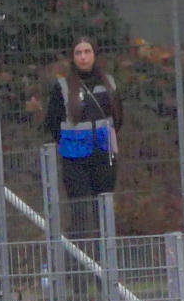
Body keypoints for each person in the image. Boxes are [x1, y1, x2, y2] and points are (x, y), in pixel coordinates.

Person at [42, 37, 123, 237]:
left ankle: (105, 252)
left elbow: (118, 117)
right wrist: (71, 141)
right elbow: (52, 122)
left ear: (95, 55)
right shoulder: (62, 87)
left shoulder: (109, 83)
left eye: (87, 52)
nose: (83, 57)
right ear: (73, 57)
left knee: (103, 210)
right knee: (78, 212)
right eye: (78, 53)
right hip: (74, 158)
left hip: (104, 155)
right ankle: (80, 253)